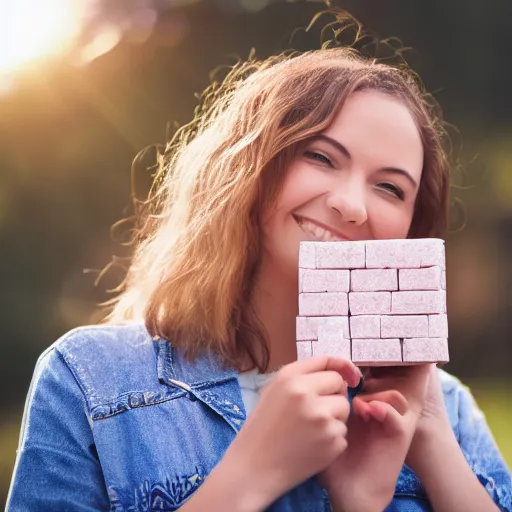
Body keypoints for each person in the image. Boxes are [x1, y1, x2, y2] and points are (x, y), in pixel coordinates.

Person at [7, 15, 512, 511]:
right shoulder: (89, 380)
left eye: (390, 188)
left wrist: (421, 458)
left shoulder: (449, 411)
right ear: (247, 165)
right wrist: (254, 473)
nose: (353, 205)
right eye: (321, 157)